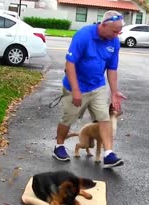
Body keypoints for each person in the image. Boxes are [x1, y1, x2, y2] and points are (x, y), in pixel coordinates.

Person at [52, 10, 126, 169]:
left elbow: (112, 69)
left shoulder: (114, 41)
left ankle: (109, 155)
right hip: (76, 86)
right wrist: (76, 90)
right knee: (68, 118)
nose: (117, 35)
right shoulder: (83, 36)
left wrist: (114, 91)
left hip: (97, 86)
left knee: (104, 118)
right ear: (104, 25)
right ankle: (59, 146)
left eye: (119, 31)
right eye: (115, 31)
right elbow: (70, 63)